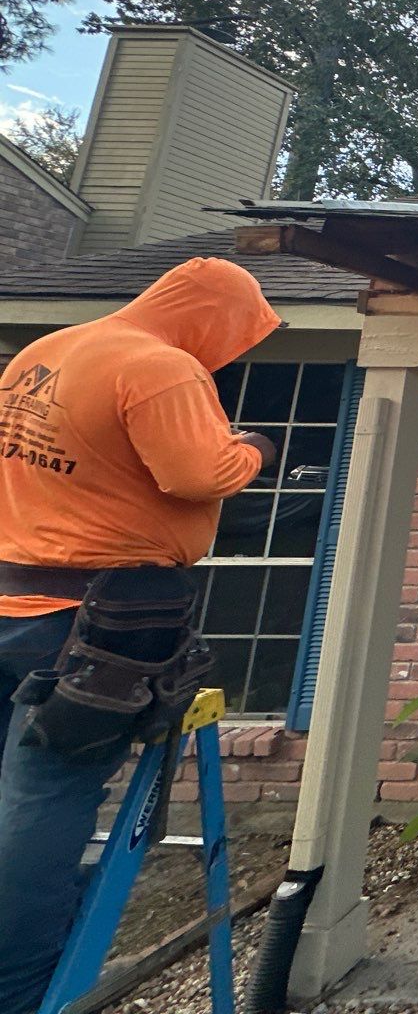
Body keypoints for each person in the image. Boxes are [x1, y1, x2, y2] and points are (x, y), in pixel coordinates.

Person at [0, 258, 281, 1014]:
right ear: (213, 316)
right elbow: (198, 474)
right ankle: (17, 986)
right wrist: (255, 448)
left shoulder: (49, 352)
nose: (232, 351)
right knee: (45, 797)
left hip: (11, 595)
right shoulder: (160, 367)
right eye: (237, 333)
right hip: (91, 623)